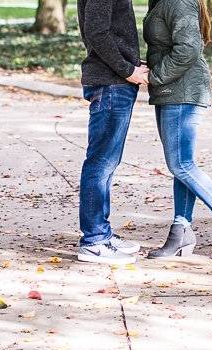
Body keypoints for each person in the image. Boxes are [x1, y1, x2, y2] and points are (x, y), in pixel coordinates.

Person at [144, 0, 212, 260]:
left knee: (181, 164)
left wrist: (154, 76)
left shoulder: (177, 2)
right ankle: (180, 233)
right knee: (181, 165)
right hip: (171, 90)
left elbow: (189, 48)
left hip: (183, 90)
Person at [76, 0, 150, 265]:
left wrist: (131, 64)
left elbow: (109, 30)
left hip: (115, 81)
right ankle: (94, 241)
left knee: (107, 163)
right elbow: (96, 31)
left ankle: (102, 234)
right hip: (111, 83)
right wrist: (127, 69)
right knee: (100, 162)